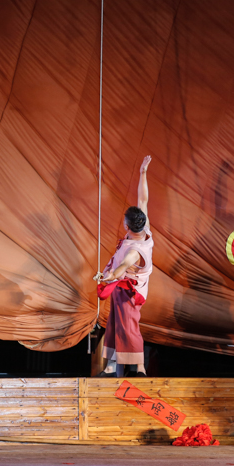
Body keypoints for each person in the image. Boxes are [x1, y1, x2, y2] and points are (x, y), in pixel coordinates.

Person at [98, 155, 153, 377]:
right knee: (116, 324)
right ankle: (113, 366)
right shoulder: (144, 228)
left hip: (130, 290)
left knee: (128, 327)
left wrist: (109, 276)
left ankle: (140, 368)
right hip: (123, 287)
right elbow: (143, 199)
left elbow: (122, 267)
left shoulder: (134, 251)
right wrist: (143, 173)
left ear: (127, 226)